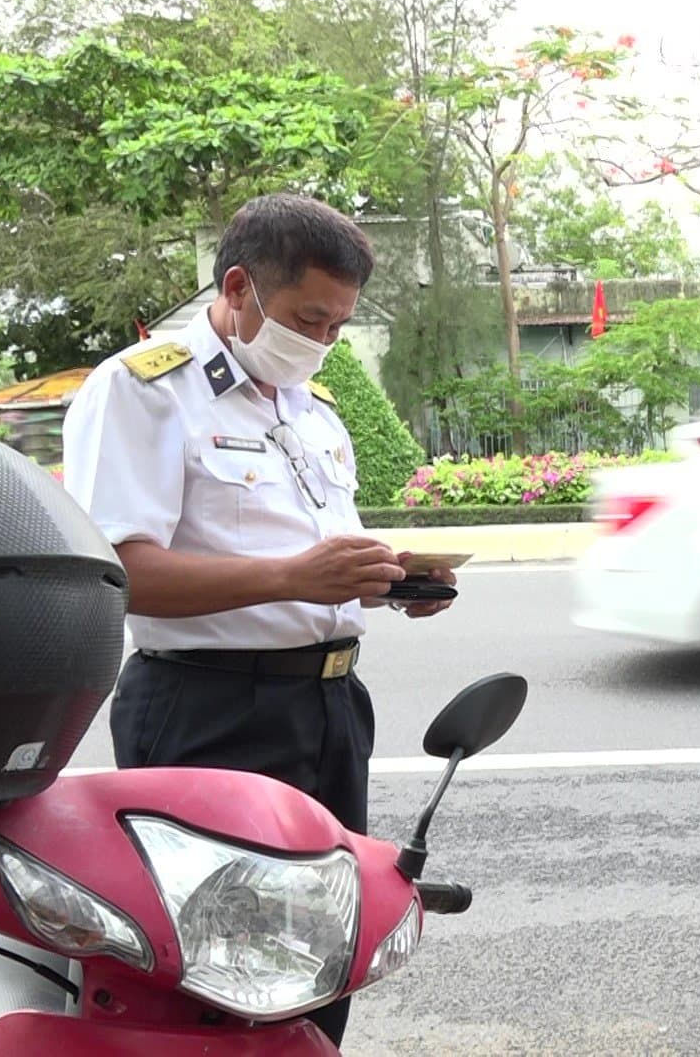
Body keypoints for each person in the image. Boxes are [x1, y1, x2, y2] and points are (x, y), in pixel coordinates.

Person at [62, 193, 456, 1045]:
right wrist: (292, 576)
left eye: (339, 325)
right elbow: (117, 573)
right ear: (238, 287)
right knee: (223, 969)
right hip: (213, 708)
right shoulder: (146, 391)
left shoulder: (311, 411)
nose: (323, 342)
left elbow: (316, 568)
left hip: (329, 709)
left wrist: (383, 583)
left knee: (324, 953)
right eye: (309, 317)